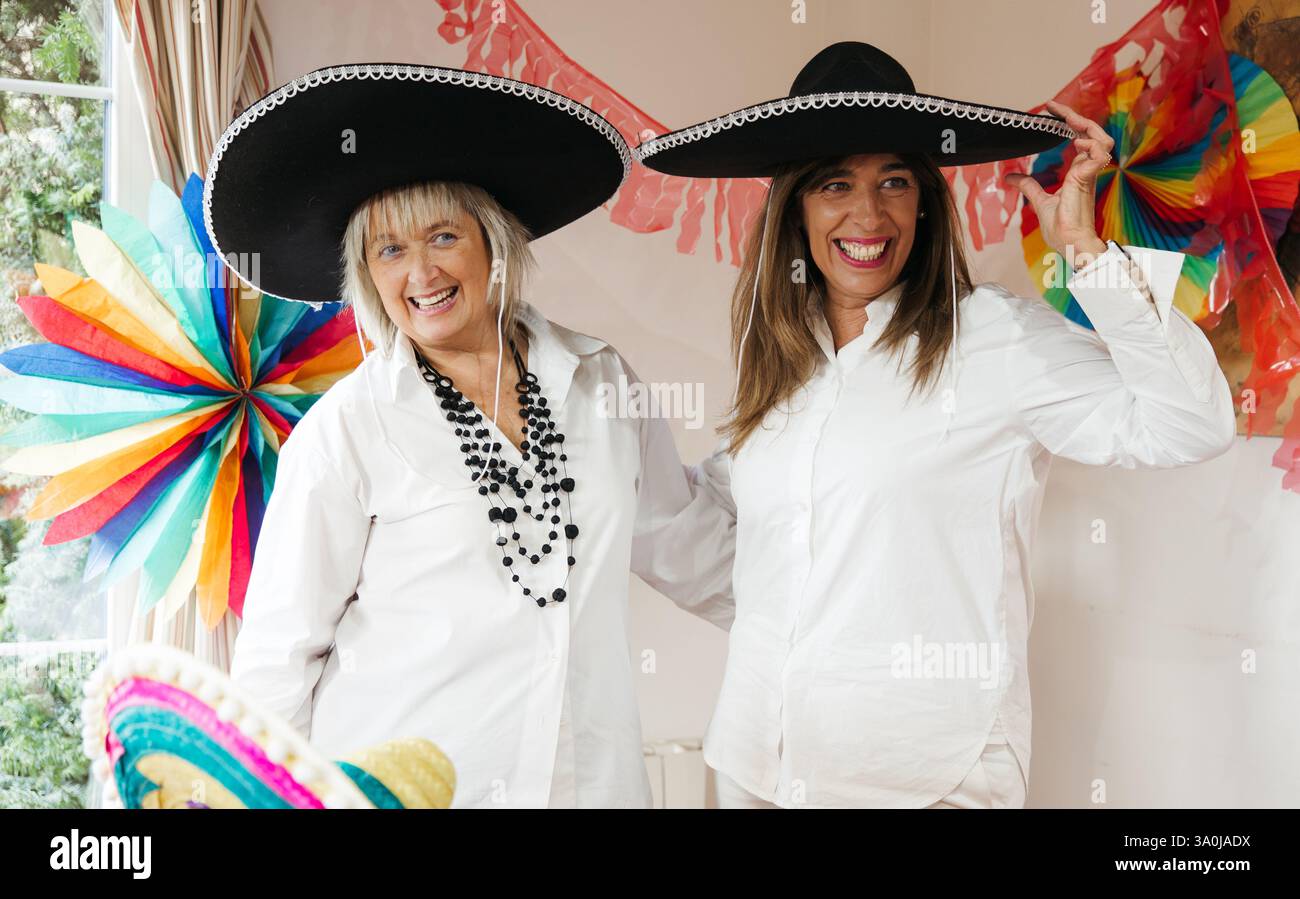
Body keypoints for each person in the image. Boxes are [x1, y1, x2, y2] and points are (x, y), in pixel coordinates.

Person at [637, 42, 1236, 809]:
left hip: (930, 778)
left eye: (894, 181)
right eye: (834, 185)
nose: (868, 214)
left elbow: (1189, 424)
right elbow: (747, 550)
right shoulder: (782, 361)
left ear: (925, 199)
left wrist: (1086, 252)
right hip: (757, 764)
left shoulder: (997, 341)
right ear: (797, 207)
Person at [204, 62, 734, 808]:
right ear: (365, 273)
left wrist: (839, 582)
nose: (420, 272)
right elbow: (277, 661)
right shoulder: (345, 432)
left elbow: (686, 543)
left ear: (494, 241)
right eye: (389, 249)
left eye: (442, 235)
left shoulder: (599, 381)